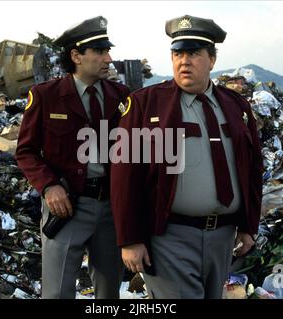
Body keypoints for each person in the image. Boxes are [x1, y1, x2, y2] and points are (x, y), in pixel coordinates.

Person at [110, 15, 263, 299]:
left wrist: (248, 226)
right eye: (177, 53)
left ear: (212, 60)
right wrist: (130, 238)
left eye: (193, 53)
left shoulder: (235, 105)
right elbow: (124, 175)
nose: (184, 61)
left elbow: (253, 168)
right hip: (170, 237)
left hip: (223, 237)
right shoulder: (146, 104)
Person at [16, 16, 130, 299]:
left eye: (108, 50)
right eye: (100, 51)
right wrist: (48, 186)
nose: (109, 58)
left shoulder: (122, 96)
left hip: (111, 210)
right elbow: (26, 151)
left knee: (109, 293)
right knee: (57, 293)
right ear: (76, 56)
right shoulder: (46, 96)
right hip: (67, 207)